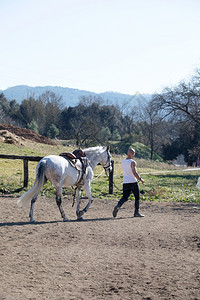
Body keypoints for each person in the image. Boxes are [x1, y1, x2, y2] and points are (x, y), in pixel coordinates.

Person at [113, 148, 145, 218]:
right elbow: (134, 172)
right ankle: (136, 213)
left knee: (124, 197)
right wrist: (140, 179)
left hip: (125, 182)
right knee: (137, 197)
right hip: (133, 182)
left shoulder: (123, 161)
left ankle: (118, 206)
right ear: (133, 154)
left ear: (127, 153)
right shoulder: (132, 162)